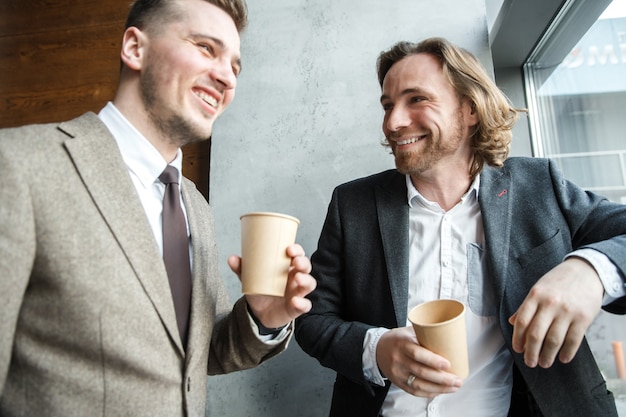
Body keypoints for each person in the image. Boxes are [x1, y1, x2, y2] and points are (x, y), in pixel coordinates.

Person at [0, 0, 316, 416]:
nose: (226, 76)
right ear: (135, 48)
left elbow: (194, 358)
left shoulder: (195, 206)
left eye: (235, 67)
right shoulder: (19, 165)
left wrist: (262, 316)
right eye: (206, 47)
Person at [295, 37, 626, 417]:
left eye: (416, 99)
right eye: (388, 105)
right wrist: (376, 349)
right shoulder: (352, 204)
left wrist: (588, 271)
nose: (393, 122)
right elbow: (312, 318)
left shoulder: (538, 186)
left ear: (469, 108)